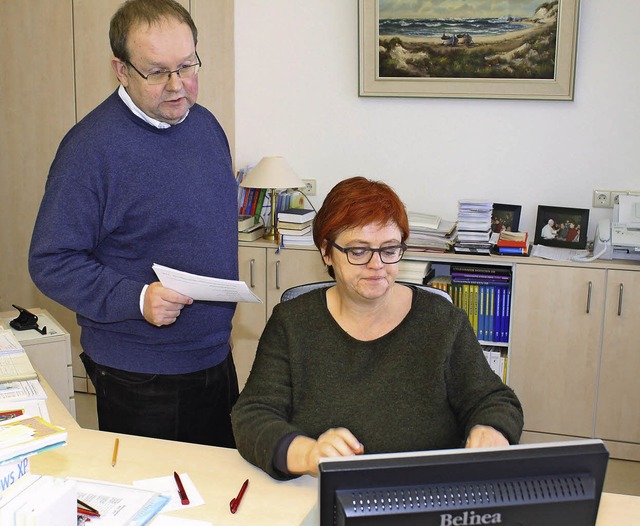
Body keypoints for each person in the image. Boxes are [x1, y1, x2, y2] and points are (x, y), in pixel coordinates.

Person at [29, 0, 239, 447]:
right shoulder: (90, 150)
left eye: (187, 65)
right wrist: (137, 298)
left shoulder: (205, 126)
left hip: (214, 357)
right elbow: (51, 260)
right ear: (121, 70)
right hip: (140, 373)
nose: (177, 85)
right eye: (157, 71)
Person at [231, 177, 524, 479]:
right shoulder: (292, 322)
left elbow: (494, 400)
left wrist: (490, 429)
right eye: (358, 251)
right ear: (326, 252)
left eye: (389, 249)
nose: (377, 265)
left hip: (421, 492)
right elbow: (253, 415)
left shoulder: (442, 322)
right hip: (318, 491)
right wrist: (307, 454)